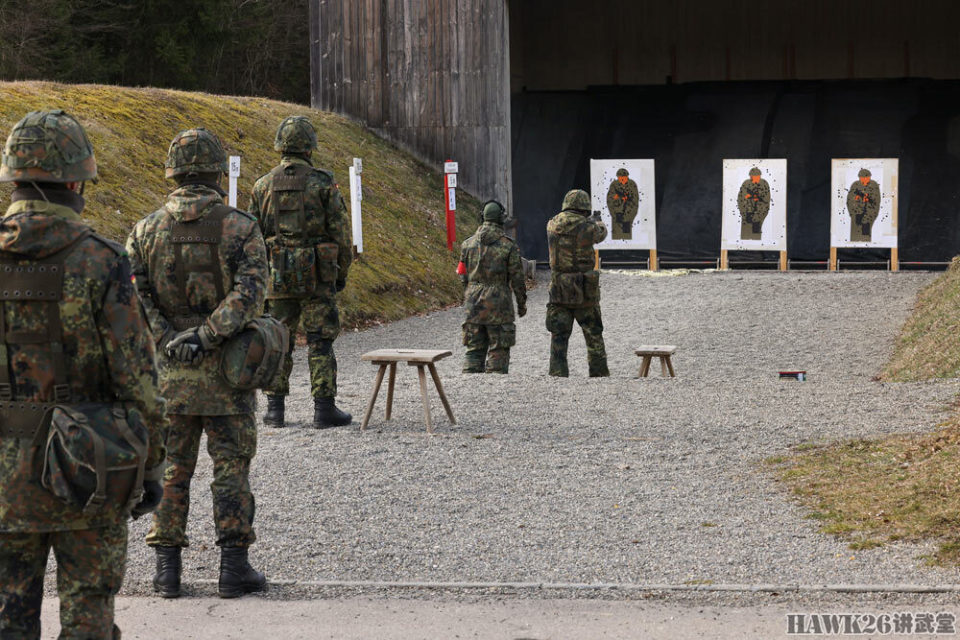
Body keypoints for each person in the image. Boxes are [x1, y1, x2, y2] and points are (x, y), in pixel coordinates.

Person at [0, 109, 166, 638]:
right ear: (75, 180)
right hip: (89, 469)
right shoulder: (102, 261)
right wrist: (151, 467)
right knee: (89, 621)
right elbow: (139, 380)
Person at [127, 128, 269, 599]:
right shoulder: (241, 225)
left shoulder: (145, 230)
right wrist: (208, 334)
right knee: (231, 468)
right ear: (213, 171)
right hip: (227, 370)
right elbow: (250, 293)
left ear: (171, 171)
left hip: (169, 375)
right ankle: (233, 568)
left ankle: (167, 572)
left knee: (171, 470)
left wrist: (169, 337)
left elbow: (134, 297)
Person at [248, 115, 353, 428]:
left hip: (277, 275)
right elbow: (341, 235)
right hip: (318, 275)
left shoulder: (262, 185)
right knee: (320, 340)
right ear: (310, 147)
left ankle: (274, 409)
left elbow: (251, 237)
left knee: (279, 339)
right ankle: (324, 408)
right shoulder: (323, 183)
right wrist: (340, 272)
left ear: (280, 145)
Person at [457, 200, 527, 373]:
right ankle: (495, 388)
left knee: (473, 349)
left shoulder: (467, 245)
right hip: (499, 303)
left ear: (482, 217)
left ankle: (469, 386)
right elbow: (517, 279)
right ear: (501, 219)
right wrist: (521, 303)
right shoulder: (508, 246)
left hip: (473, 301)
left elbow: (462, 275)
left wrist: (470, 293)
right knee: (499, 349)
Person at [546, 189, 609, 377]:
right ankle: (599, 374)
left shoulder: (551, 224)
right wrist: (597, 221)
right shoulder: (587, 227)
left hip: (559, 288)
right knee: (593, 334)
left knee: (559, 336)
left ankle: (557, 373)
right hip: (584, 290)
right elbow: (601, 234)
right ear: (584, 207)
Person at [847, 168, 881, 242]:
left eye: (867, 178)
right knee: (855, 237)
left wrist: (871, 214)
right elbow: (849, 200)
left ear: (869, 177)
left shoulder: (874, 185)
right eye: (862, 178)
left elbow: (876, 200)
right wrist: (853, 213)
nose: (865, 180)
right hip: (856, 214)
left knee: (865, 237)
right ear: (859, 178)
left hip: (868, 214)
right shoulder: (855, 185)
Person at [736, 167, 770, 240]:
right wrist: (743, 213)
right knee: (745, 237)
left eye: (758, 176)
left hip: (758, 214)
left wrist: (760, 215)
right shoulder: (746, 183)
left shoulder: (764, 183)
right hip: (747, 213)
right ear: (751, 176)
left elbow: (766, 200)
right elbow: (740, 199)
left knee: (756, 238)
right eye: (754, 177)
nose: (756, 178)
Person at [605, 168, 639, 240]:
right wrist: (618, 199)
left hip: (628, 213)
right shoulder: (614, 184)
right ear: (618, 177)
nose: (622, 179)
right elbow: (610, 198)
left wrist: (631, 214)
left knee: (626, 237)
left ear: (627, 177)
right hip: (617, 213)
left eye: (624, 178)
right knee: (616, 236)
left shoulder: (632, 184)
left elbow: (635, 200)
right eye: (620, 178)